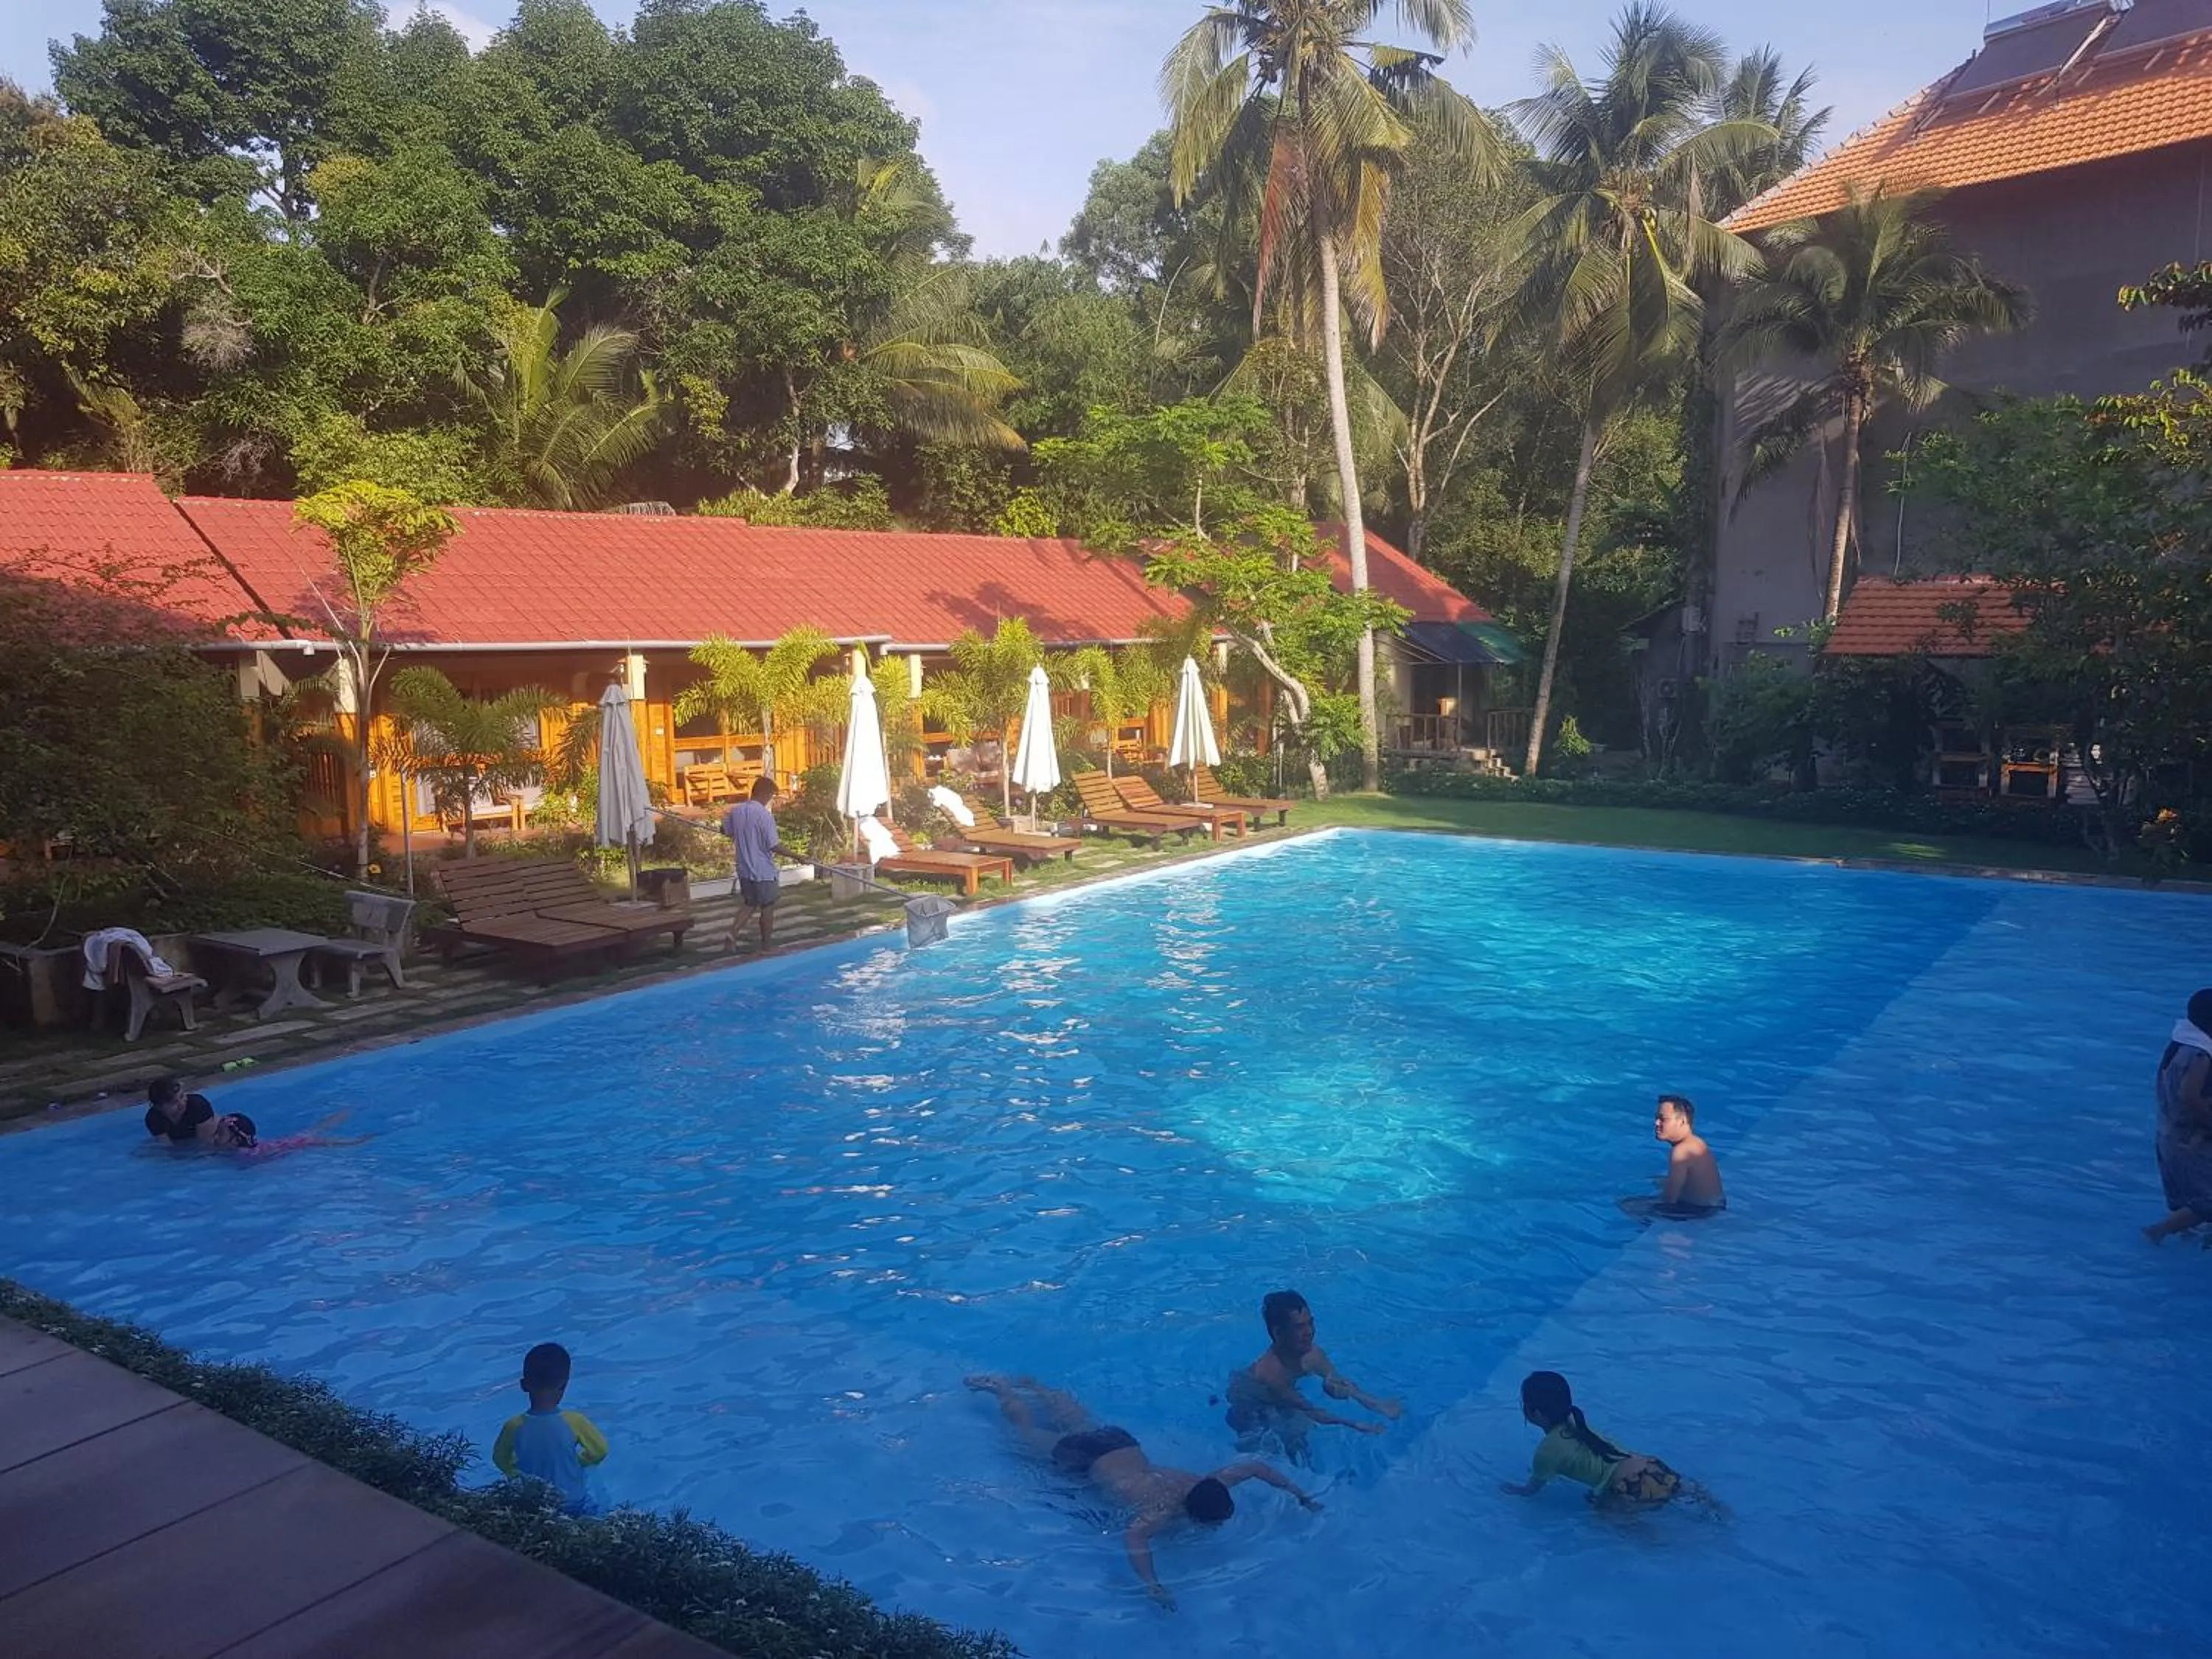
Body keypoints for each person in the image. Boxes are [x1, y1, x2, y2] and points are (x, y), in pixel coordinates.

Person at [967, 1373, 1318, 1610]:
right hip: (1089, 1457)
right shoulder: (1164, 1510)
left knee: (1079, 1421)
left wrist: (1299, 1493)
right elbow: (1135, 1539)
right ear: (1194, 1516)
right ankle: (1002, 1390)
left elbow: (1256, 1468)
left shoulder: (1212, 1481)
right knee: (1027, 1436)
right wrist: (1152, 1585)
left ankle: (1041, 1390)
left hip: (1118, 1443)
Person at [1222, 1290, 1398, 1463]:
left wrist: (1376, 1404)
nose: (1309, 1332)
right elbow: (1310, 1411)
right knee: (1286, 1439)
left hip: (1283, 1394)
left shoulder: (1312, 1354)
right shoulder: (1272, 1373)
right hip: (1248, 1399)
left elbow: (1339, 1381)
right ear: (1278, 1333)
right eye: (1299, 1327)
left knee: (1297, 1430)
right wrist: (1355, 1424)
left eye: (1310, 1323)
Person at [1500, 1371, 1715, 1512]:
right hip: (1650, 1466)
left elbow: (1530, 1491)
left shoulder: (1546, 1451)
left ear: (1534, 1413)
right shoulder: (1577, 1421)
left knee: (1611, 1523)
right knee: (1687, 1496)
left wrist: (1509, 1490)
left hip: (1626, 1487)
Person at [493, 1342, 609, 1515]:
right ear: (563, 1386)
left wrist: (516, 1473)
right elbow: (600, 1450)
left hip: (533, 1501)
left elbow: (500, 1459)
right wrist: (580, 1461)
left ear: (524, 1385)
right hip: (573, 1501)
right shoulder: (575, 1422)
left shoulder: (513, 1426)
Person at [2144, 989, 2212, 1243]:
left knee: (2188, 1200)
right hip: (2188, 1139)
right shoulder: (2200, 1056)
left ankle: (2189, 1240)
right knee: (2208, 1203)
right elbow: (2189, 1097)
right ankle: (2157, 1232)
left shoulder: (2179, 1044)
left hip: (2168, 1135)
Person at [1620, 1093, 1725, 1220]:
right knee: (1659, 1181)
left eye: (1663, 1119)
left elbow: (1669, 1200)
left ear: (1682, 1121)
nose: (1657, 1123)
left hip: (1699, 1212)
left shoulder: (1680, 1152)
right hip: (1716, 1206)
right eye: (1656, 1118)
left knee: (1627, 1205)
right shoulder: (1697, 1142)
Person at [722, 775, 790, 952]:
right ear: (764, 793)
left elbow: (726, 830)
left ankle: (733, 934)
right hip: (763, 870)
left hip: (744, 868)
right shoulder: (764, 816)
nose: (771, 800)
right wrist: (797, 856)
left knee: (750, 903)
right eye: (772, 796)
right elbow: (774, 845)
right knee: (767, 906)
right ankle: (766, 945)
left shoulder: (736, 811)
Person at [143, 1076, 215, 1142]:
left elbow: (206, 1142)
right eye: (174, 1103)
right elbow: (167, 1148)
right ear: (159, 1107)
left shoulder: (198, 1105)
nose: (182, 1104)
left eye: (182, 1096)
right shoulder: (153, 1118)